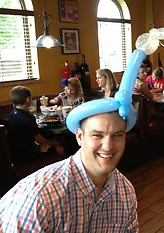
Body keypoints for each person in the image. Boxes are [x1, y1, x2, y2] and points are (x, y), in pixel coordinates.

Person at [0, 101, 138, 231]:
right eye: (97, 135)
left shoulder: (125, 192)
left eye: (118, 135)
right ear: (79, 137)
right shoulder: (39, 199)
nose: (108, 146)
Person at [7, 86, 63, 163]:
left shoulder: (12, 114)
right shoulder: (29, 118)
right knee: (60, 147)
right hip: (27, 155)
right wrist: (55, 144)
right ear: (28, 99)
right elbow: (39, 140)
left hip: (14, 154)